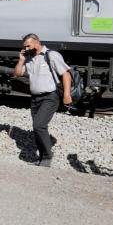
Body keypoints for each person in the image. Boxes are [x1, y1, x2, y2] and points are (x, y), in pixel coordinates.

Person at [13, 33, 72, 166]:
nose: (26, 49)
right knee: (37, 128)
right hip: (35, 98)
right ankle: (41, 158)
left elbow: (66, 74)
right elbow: (16, 74)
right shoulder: (28, 58)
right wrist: (21, 60)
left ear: (37, 43)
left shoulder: (51, 55)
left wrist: (67, 95)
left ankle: (47, 157)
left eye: (28, 46)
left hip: (50, 96)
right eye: (24, 47)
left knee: (39, 125)